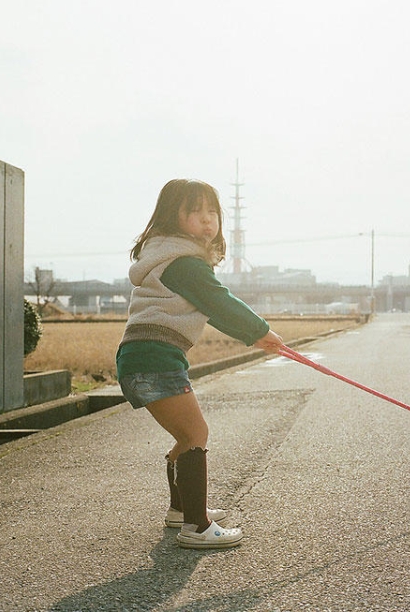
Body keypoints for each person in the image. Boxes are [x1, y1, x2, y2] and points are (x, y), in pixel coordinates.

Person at [116, 178, 285, 549]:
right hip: (155, 357)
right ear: (171, 217)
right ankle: (197, 525)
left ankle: (182, 511)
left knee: (184, 437)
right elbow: (219, 301)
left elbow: (211, 306)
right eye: (194, 212)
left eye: (212, 212)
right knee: (195, 435)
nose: (207, 220)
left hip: (141, 357)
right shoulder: (184, 262)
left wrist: (253, 334)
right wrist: (259, 332)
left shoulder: (163, 255)